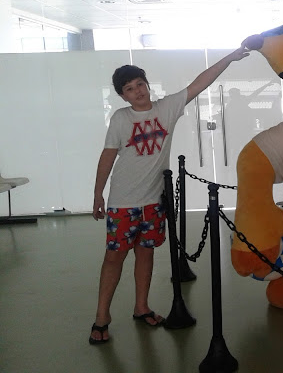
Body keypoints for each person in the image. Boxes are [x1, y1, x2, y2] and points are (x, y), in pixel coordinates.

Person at [88, 38, 257, 345]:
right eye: (129, 89)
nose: (138, 91)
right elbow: (107, 157)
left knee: (146, 253)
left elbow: (200, 83)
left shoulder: (167, 108)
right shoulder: (121, 119)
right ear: (123, 96)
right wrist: (98, 194)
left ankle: (142, 307)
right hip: (123, 204)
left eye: (140, 84)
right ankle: (102, 317)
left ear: (147, 84)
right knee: (114, 258)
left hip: (153, 201)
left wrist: (230, 57)